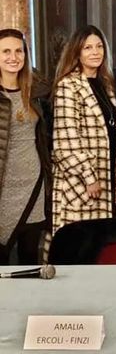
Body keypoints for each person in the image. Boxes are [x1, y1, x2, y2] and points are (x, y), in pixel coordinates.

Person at [52, 25, 116, 234]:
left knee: (99, 243)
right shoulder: (68, 85)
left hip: (106, 174)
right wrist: (89, 178)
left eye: (99, 46)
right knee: (78, 244)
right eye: (88, 48)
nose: (95, 52)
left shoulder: (106, 84)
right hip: (80, 183)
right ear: (77, 52)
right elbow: (66, 140)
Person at [0, 29, 51, 264]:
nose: (13, 57)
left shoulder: (38, 90)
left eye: (18, 51)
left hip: (33, 183)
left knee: (30, 256)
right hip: (4, 188)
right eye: (6, 51)